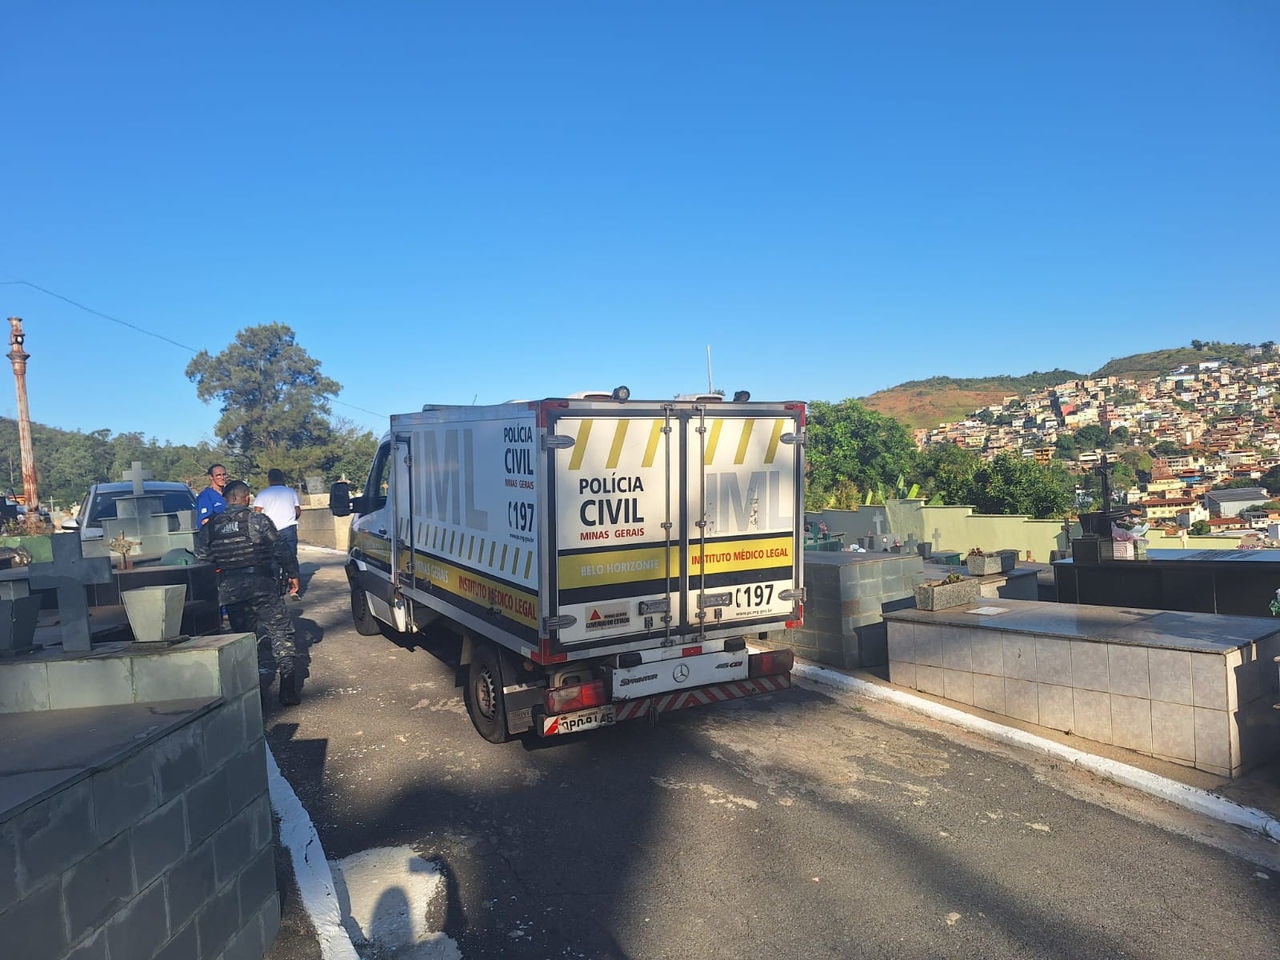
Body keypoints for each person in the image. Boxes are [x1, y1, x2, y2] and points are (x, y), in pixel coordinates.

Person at [195, 480, 307, 705]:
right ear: (246, 498)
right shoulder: (258, 521)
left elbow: (202, 557)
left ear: (227, 499)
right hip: (261, 583)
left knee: (244, 638)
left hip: (230, 588)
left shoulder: (212, 526)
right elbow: (281, 550)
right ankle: (287, 688)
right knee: (280, 632)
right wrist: (293, 575)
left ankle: (254, 693)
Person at [252, 468, 303, 600]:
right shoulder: (291, 492)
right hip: (289, 529)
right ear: (282, 478)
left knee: (272, 559)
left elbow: (257, 513)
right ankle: (294, 589)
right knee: (291, 557)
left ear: (269, 479)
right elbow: (297, 510)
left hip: (270, 531)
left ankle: (274, 588)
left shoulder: (262, 494)